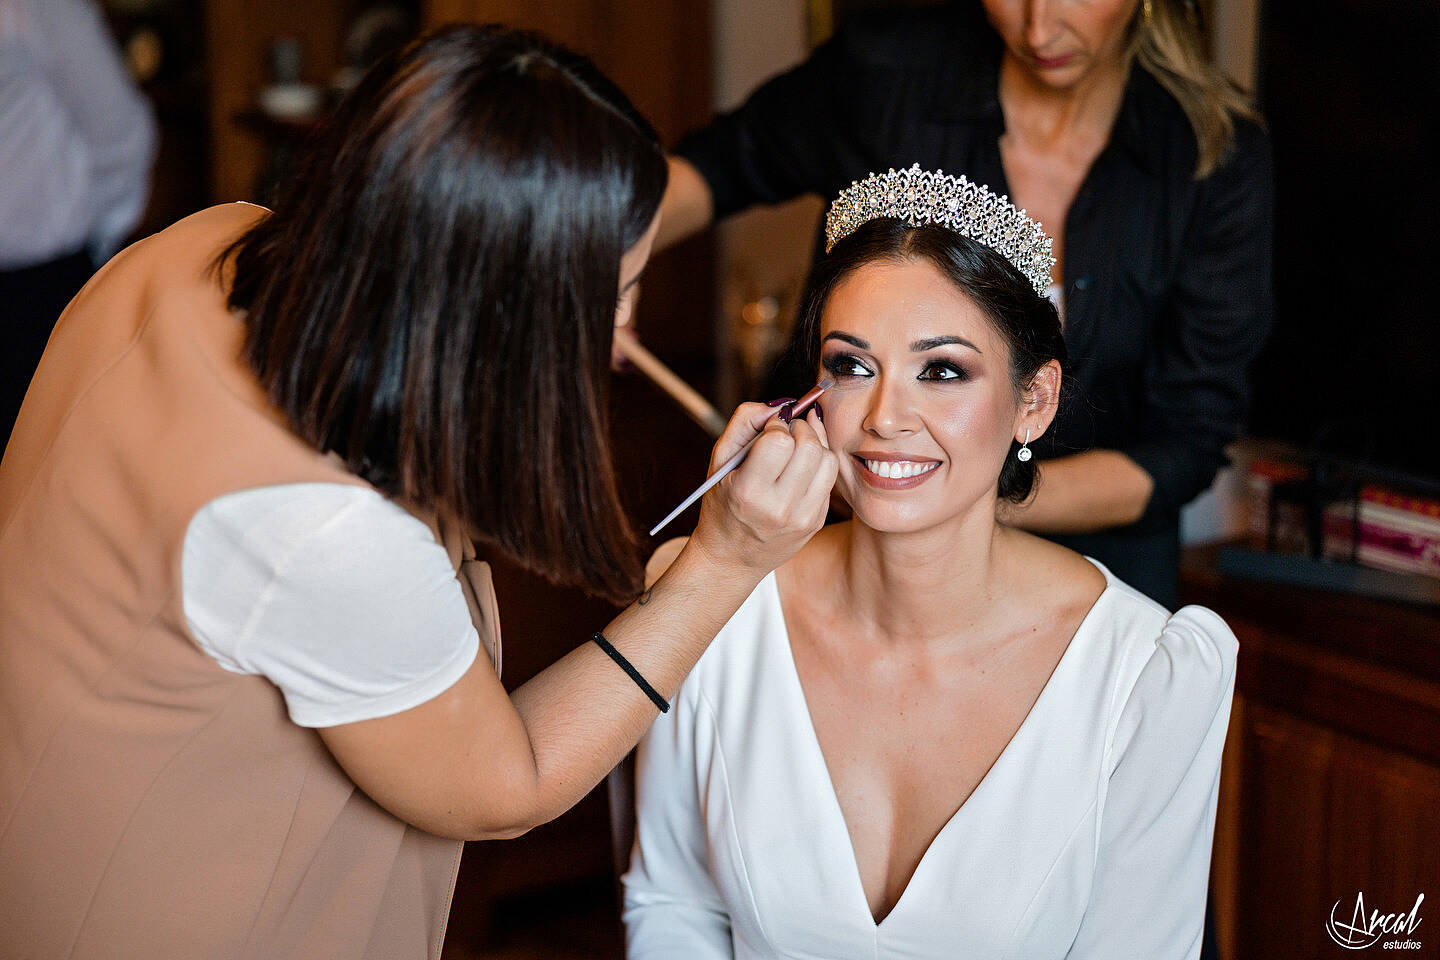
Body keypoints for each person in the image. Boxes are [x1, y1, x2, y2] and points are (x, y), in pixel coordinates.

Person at [0, 26, 837, 959]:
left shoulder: (210, 240)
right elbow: (502, 785)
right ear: (482, 297)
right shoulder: (321, 527)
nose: (618, 338)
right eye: (609, 295)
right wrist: (724, 563)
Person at [623, 170, 1237, 959]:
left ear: (1034, 403)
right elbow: (673, 904)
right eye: (850, 366)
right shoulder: (716, 607)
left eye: (942, 371)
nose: (885, 418)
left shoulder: (1146, 676)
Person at [656, 0, 1273, 611]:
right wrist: (609, 270)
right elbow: (713, 168)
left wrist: (938, 490)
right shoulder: (889, 73)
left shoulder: (1210, 153)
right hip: (842, 549)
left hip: (1099, 561)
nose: (1038, 27)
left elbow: (1186, 439)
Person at [0, 0, 157, 446]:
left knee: (44, 454)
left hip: (39, 285)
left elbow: (121, 131)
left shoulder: (42, 7)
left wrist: (97, 244)